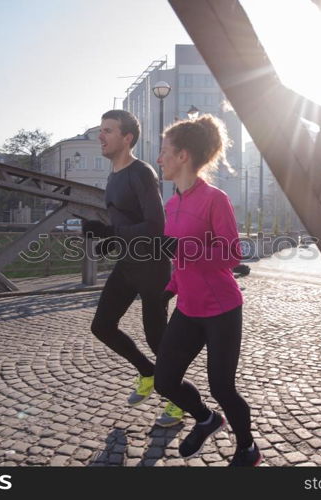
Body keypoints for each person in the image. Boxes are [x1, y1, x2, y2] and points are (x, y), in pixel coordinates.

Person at [154, 114, 261, 466]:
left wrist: (181, 250)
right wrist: (169, 289)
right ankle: (207, 419)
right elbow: (178, 260)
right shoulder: (171, 204)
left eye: (164, 151)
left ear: (183, 155)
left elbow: (231, 254)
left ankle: (247, 448)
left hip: (221, 309)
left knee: (222, 388)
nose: (160, 159)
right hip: (188, 308)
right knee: (164, 382)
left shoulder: (215, 199)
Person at [82, 110, 183, 427]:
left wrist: (111, 234)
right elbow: (128, 221)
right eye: (101, 130)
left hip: (152, 266)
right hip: (128, 264)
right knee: (102, 326)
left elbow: (156, 225)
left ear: (127, 138)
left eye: (108, 130)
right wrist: (109, 240)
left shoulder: (141, 172)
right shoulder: (113, 176)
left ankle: (178, 404)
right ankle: (147, 372)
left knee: (158, 340)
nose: (101, 136)